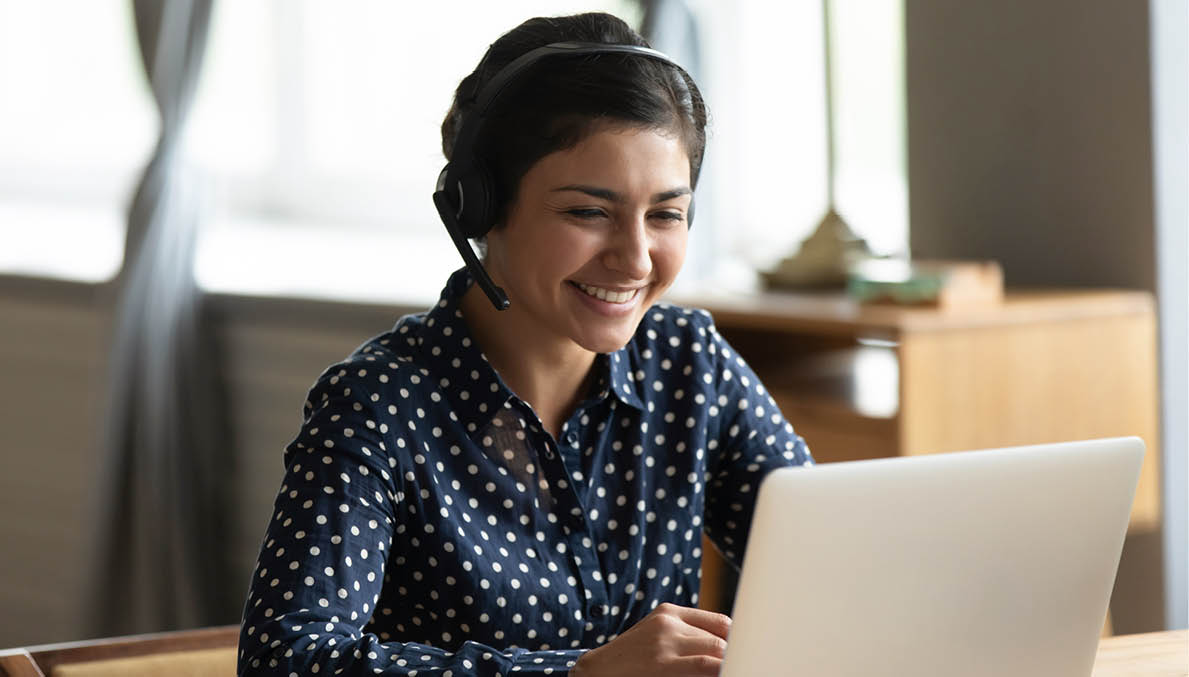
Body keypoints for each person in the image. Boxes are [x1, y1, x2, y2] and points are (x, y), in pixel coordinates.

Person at [238, 12, 812, 677]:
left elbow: (825, 558)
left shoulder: (689, 363)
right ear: (477, 209)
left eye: (664, 214)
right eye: (587, 211)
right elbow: (286, 661)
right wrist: (579, 674)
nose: (634, 259)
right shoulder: (378, 405)